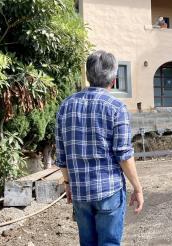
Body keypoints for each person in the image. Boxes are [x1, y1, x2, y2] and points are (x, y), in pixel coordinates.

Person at [55, 50, 144, 246]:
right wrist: (137, 188)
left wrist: (68, 184)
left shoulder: (65, 106)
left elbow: (61, 155)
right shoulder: (116, 107)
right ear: (113, 80)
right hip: (108, 190)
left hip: (80, 192)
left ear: (87, 76)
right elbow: (123, 155)